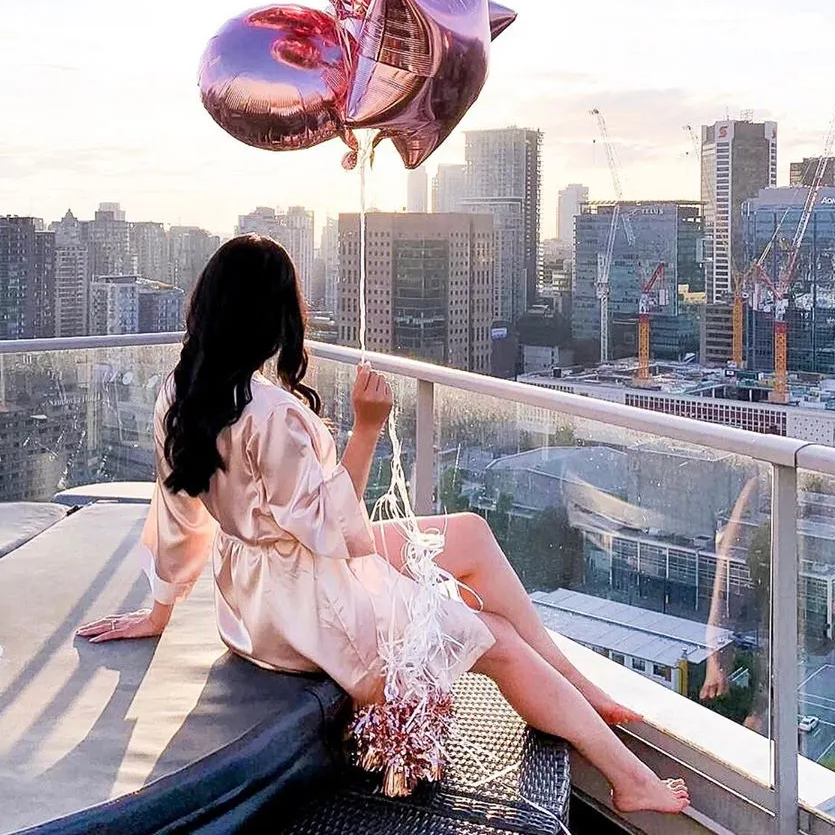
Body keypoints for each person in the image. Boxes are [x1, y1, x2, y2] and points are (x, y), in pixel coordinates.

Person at [76, 236, 689, 816]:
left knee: (470, 532)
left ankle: (574, 683)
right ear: (275, 319)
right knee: (496, 639)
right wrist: (368, 427)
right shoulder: (272, 415)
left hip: (252, 602)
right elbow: (338, 532)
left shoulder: (178, 395)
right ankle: (630, 782)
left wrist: (159, 607)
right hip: (308, 608)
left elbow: (179, 514)